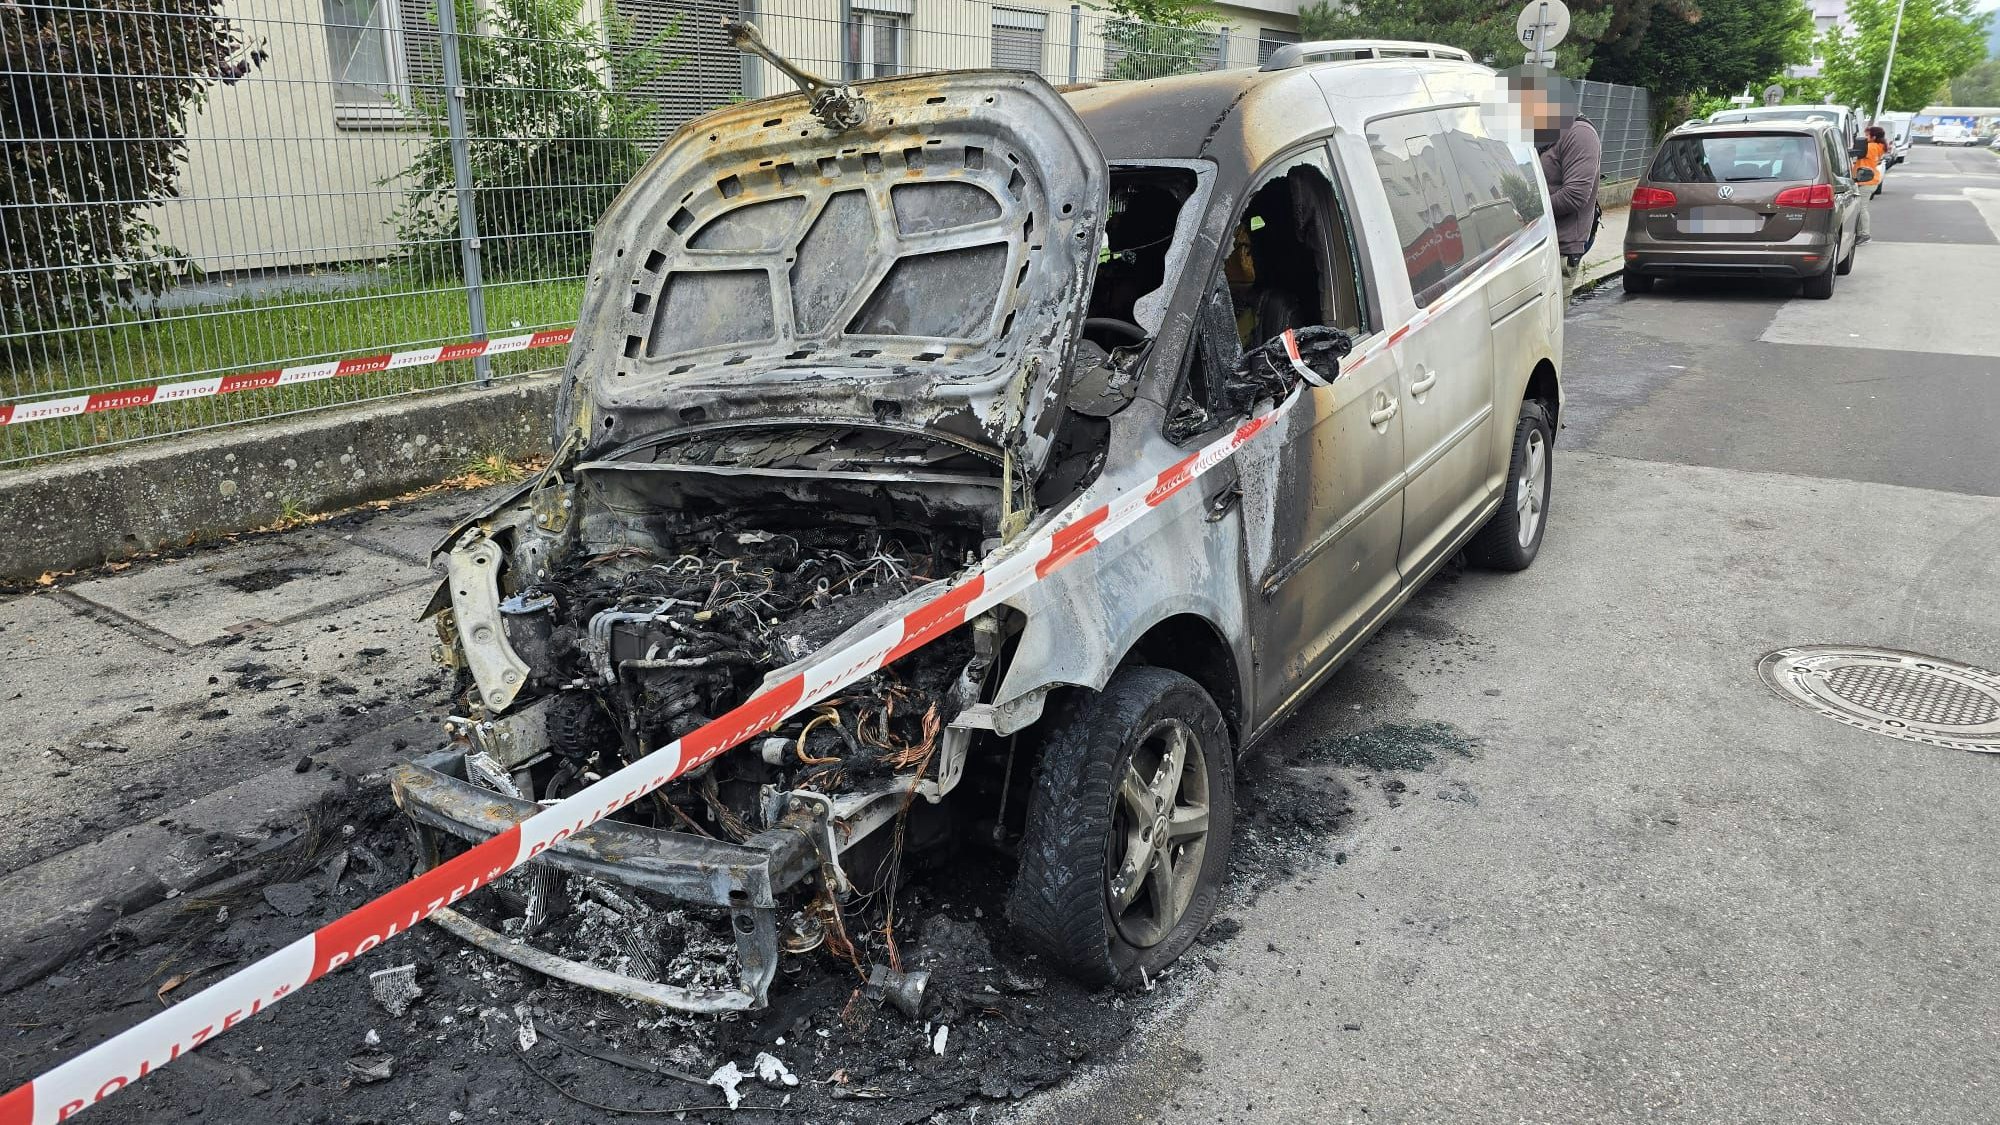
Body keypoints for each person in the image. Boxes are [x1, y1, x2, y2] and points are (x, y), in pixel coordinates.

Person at [1511, 71, 1601, 298]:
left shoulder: (1579, 134)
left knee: (1546, 328)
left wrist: (1529, 210)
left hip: (1559, 250)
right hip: (1533, 244)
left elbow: (1575, 196)